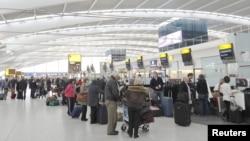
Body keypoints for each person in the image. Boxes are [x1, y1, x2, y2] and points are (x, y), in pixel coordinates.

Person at [105, 71, 121, 135]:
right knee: (112, 117)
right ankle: (110, 131)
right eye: (118, 77)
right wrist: (119, 98)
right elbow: (115, 93)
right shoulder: (113, 82)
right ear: (115, 76)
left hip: (110, 100)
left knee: (113, 116)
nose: (118, 78)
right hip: (111, 101)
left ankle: (113, 129)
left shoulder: (110, 80)